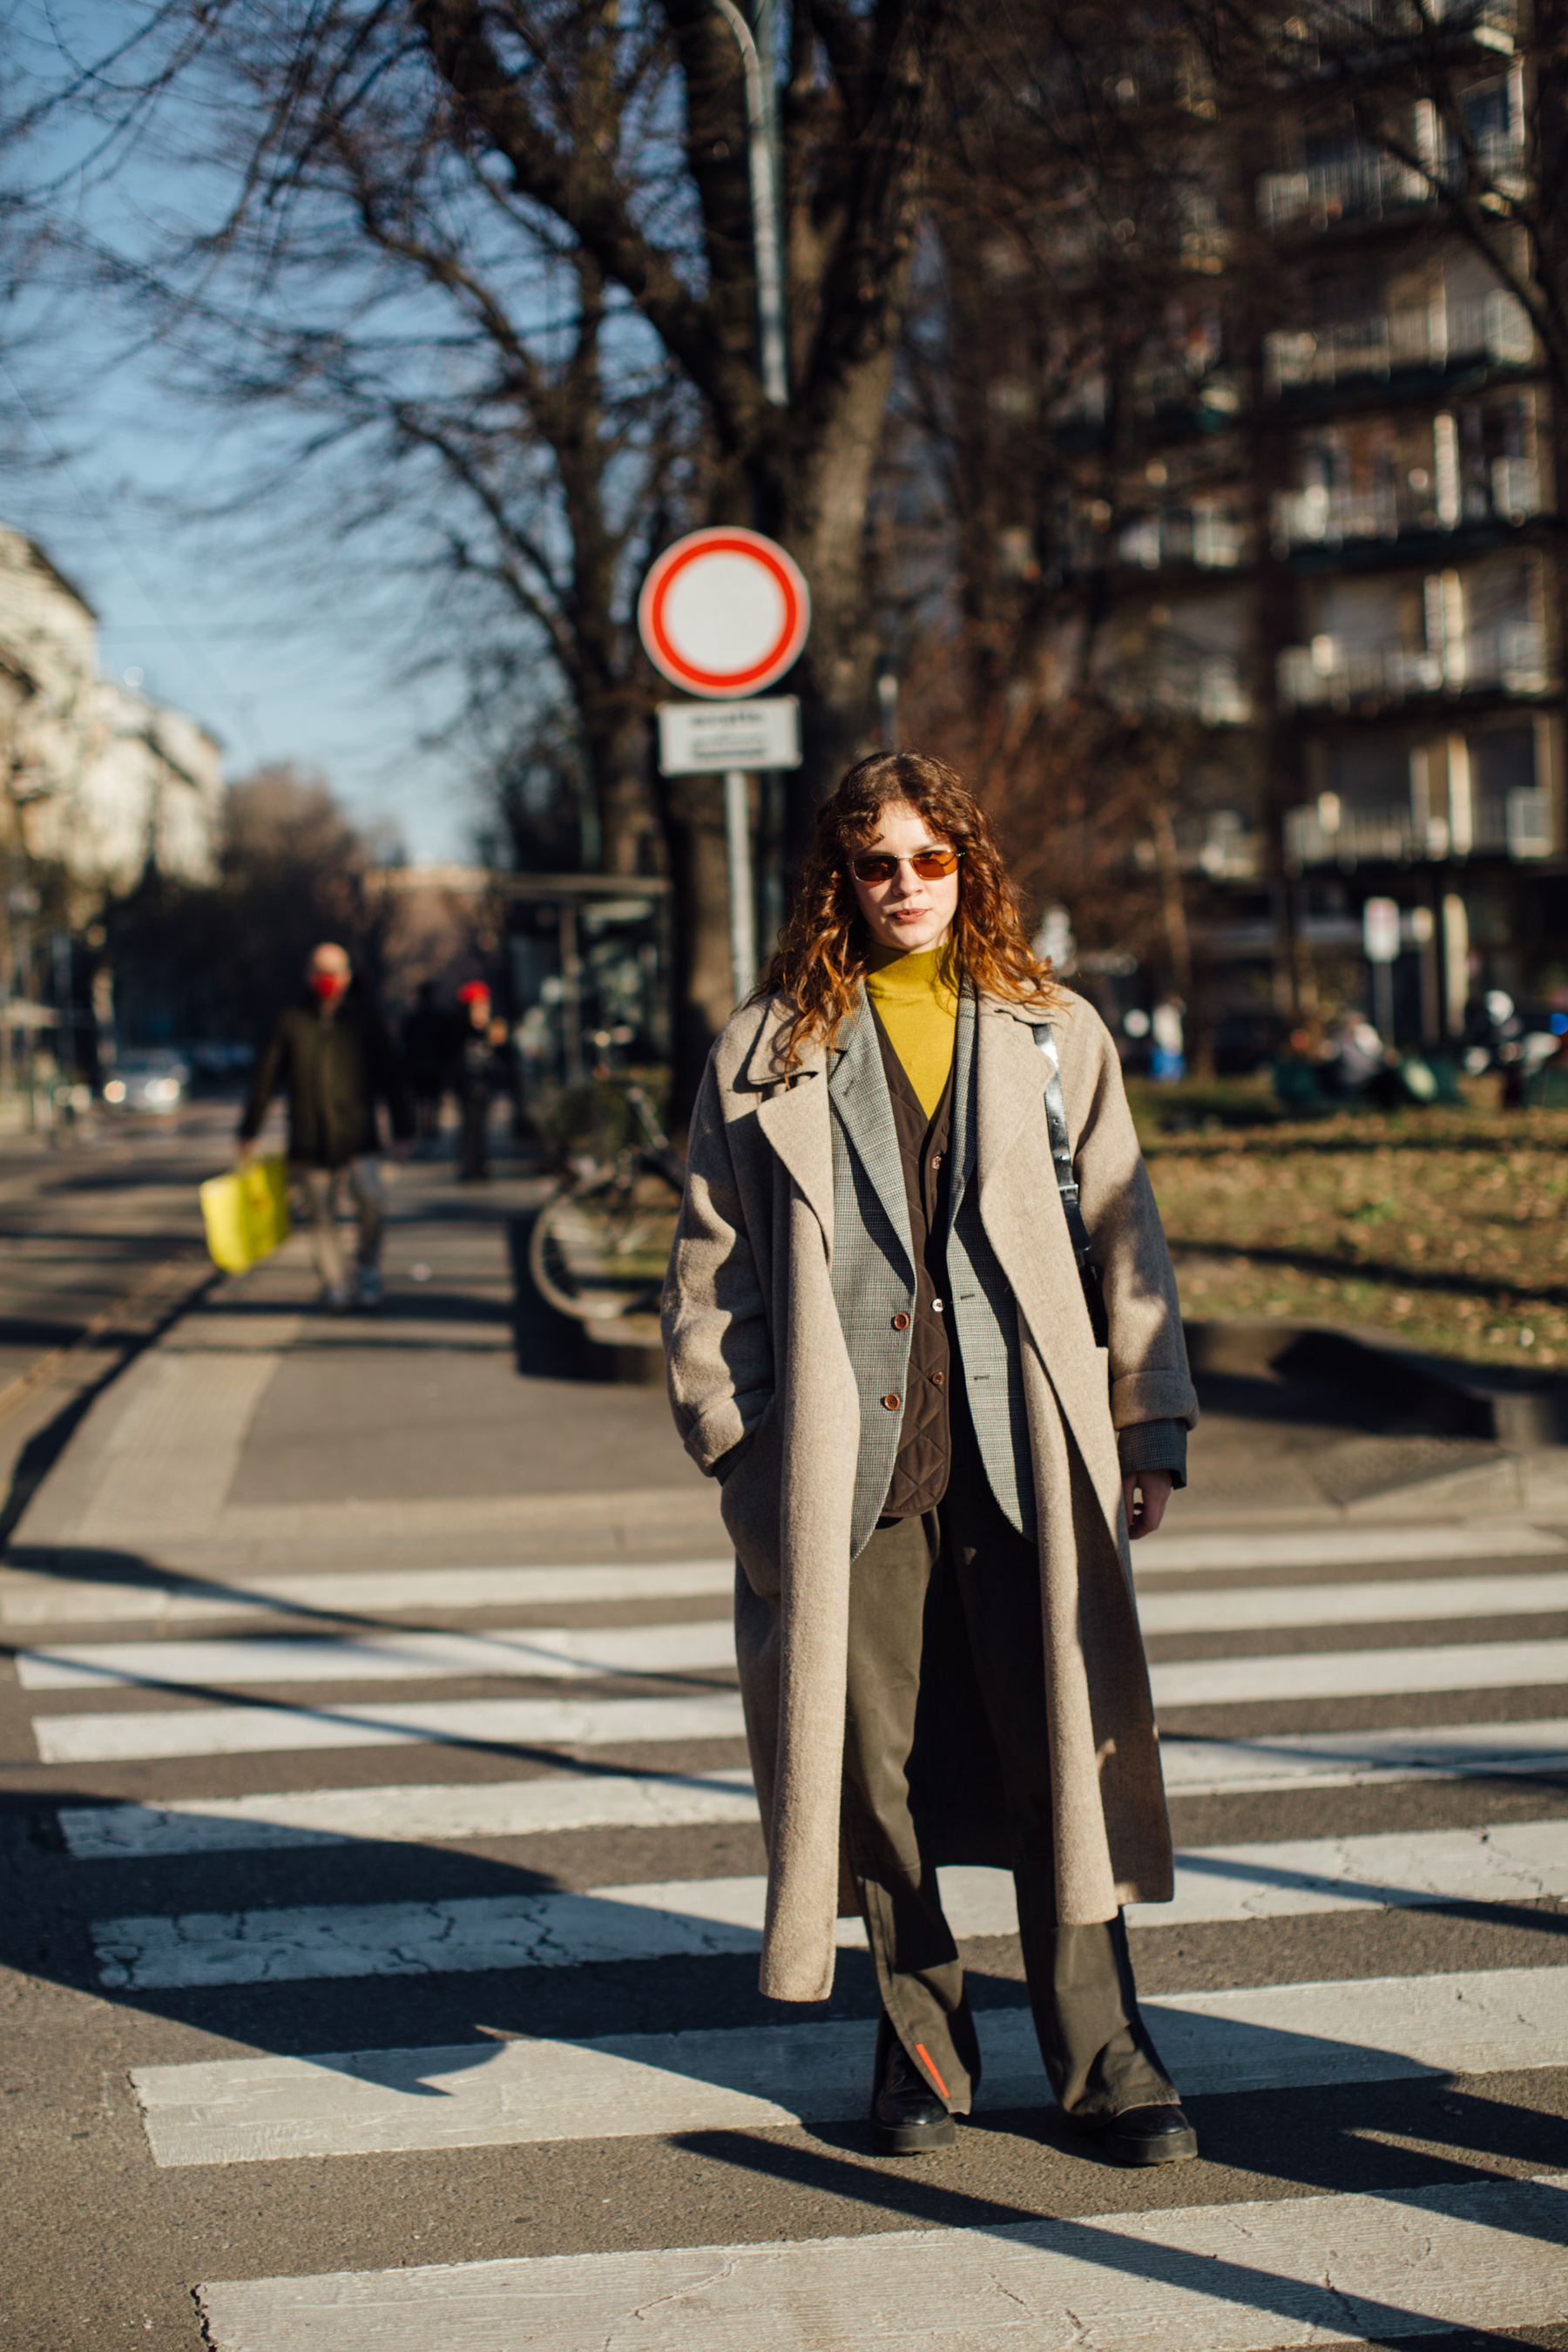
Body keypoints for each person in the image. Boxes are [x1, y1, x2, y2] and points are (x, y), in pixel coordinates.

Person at [662, 752, 1200, 2167]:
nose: (905, 887)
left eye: (930, 859)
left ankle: (1106, 2056)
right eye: (876, 863)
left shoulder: (1050, 1030)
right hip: (848, 1466)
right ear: (838, 880)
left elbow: (1123, 1234)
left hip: (1027, 1444)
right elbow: (710, 1276)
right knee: (872, 1768)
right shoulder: (770, 1048)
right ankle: (919, 2047)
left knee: (1053, 1755)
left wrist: (1149, 1420)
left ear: (970, 866)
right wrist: (738, 1444)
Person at [239, 942, 414, 1310]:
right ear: (309, 976)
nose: (328, 980)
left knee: (372, 1202)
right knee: (319, 1217)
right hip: (309, 1138)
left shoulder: (365, 1019)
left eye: (335, 971)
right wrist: (249, 1130)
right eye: (321, 971)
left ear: (347, 976)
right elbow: (265, 1078)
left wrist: (404, 1128)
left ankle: (367, 1269)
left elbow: (392, 1076)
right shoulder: (290, 1020)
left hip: (358, 1134)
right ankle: (334, 1283)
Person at [456, 981, 510, 1182]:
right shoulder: (461, 1027)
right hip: (467, 1083)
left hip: (486, 1082)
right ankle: (469, 1166)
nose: (483, 1008)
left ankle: (480, 1164)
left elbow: (503, 1053)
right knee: (471, 1125)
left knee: (482, 1125)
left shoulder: (492, 1025)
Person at [402, 980, 456, 1151]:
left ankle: (422, 1133)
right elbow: (447, 1044)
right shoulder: (439, 1017)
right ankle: (430, 1133)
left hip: (417, 1066)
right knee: (432, 1102)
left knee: (420, 1102)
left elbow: (406, 1043)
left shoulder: (413, 1018)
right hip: (434, 1066)